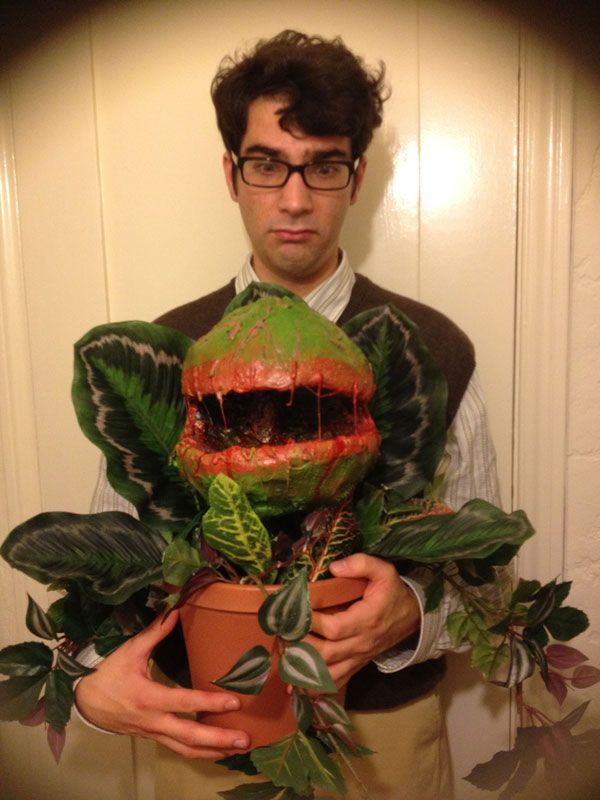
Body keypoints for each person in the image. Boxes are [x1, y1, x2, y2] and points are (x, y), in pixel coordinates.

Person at [76, 30, 500, 799]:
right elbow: (105, 560)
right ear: (231, 174)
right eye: (269, 164)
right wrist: (88, 691)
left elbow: (489, 574)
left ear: (357, 175)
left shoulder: (431, 350)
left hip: (382, 746)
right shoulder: (170, 357)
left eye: (324, 165)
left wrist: (410, 613)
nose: (296, 198)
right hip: (206, 740)